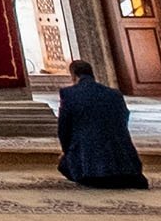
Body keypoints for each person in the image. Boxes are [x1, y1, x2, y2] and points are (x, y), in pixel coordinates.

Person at [55, 60, 150, 189]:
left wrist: (67, 151)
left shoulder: (69, 94)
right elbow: (124, 119)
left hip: (90, 165)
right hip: (124, 160)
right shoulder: (115, 94)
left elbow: (63, 129)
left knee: (64, 165)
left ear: (73, 76)